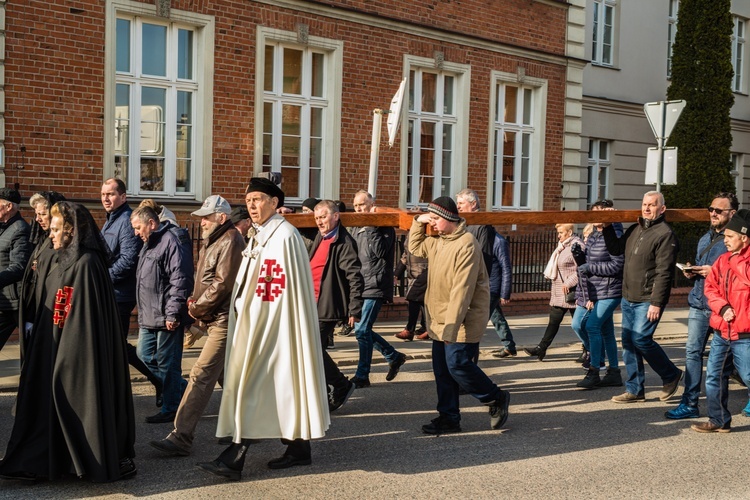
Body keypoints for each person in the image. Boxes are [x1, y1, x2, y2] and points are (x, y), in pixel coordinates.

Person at [197, 178, 329, 481]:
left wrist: (264, 324)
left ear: (273, 202)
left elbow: (281, 292)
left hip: (273, 329)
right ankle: (299, 449)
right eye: (249, 200)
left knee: (253, 388)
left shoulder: (285, 237)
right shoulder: (261, 235)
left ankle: (234, 458)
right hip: (256, 325)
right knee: (281, 389)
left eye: (258, 199)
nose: (252, 205)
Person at [0, 202, 135, 482]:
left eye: (57, 229)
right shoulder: (60, 260)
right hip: (51, 344)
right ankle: (42, 461)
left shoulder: (87, 265)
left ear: (72, 231)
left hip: (75, 351)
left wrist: (66, 350)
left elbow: (85, 319)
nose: (50, 233)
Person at [149, 195, 244, 457]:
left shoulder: (231, 240)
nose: (201, 222)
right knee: (228, 379)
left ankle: (181, 437)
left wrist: (197, 308)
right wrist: (196, 305)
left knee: (201, 375)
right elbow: (204, 279)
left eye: (206, 217)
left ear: (221, 218)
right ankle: (246, 427)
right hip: (211, 318)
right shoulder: (213, 240)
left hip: (223, 319)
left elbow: (223, 284)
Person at [408, 196, 510, 434]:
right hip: (439, 318)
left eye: (435, 219)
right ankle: (449, 417)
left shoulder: (466, 243)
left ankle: (495, 397)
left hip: (461, 320)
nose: (431, 224)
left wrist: (450, 329)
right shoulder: (438, 241)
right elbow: (414, 247)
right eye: (430, 219)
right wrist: (417, 220)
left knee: (458, 366)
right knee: (442, 371)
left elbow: (461, 291)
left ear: (447, 218)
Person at [603, 191, 683, 403]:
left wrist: (656, 303)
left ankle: (671, 374)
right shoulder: (635, 228)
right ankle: (635, 389)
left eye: (652, 205)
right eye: (645, 204)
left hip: (648, 299)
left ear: (662, 209)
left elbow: (664, 272)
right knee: (629, 343)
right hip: (629, 297)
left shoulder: (665, 234)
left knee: (641, 339)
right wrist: (607, 226)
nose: (647, 208)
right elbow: (615, 249)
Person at [665, 193, 734, 419]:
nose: (712, 213)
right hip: (698, 303)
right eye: (710, 209)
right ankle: (690, 403)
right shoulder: (705, 238)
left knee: (731, 359)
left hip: (724, 307)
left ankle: (722, 409)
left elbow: (740, 273)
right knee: (692, 353)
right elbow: (703, 269)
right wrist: (691, 271)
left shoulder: (735, 239)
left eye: (718, 210)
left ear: (731, 214)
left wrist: (712, 272)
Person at [100, 179, 163, 402]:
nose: (106, 198)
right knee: (112, 344)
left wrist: (102, 278)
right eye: (103, 194)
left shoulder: (126, 221)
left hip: (120, 295)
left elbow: (128, 260)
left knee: (116, 343)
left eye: (111, 194)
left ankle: (159, 380)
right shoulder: (110, 221)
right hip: (110, 293)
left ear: (123, 196)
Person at [131, 205, 194, 424]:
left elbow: (180, 279)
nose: (136, 233)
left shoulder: (171, 240)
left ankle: (171, 407)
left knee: (168, 364)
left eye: (138, 228)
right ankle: (182, 389)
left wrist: (173, 313)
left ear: (151, 223)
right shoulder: (148, 243)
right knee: (144, 355)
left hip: (166, 315)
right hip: (149, 314)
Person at [692, 209, 750, 433]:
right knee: (714, 376)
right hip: (722, 330)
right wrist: (723, 307)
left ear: (744, 238)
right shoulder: (722, 260)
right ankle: (718, 420)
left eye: (729, 237)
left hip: (745, 333)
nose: (724, 241)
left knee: (747, 376)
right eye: (724, 236)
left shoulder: (737, 261)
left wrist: (736, 259)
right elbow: (711, 288)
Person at [309, 199, 362, 410]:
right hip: (310, 302)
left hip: (327, 305)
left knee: (312, 350)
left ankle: (340, 385)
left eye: (323, 217)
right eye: (317, 218)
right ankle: (324, 391)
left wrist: (355, 308)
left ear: (335, 216)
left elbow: (355, 277)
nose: (319, 222)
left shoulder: (344, 242)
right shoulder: (320, 238)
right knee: (311, 350)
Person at [350, 190, 406, 387]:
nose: (358, 209)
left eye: (362, 205)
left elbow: (381, 252)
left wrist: (371, 224)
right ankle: (393, 356)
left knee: (362, 329)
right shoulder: (354, 227)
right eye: (356, 205)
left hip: (376, 283)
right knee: (361, 329)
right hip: (360, 284)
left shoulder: (383, 226)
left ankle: (362, 375)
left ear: (372, 204)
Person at [570, 200, 624, 389]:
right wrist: (579, 258)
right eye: (593, 214)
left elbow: (617, 265)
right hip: (596, 290)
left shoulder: (615, 234)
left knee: (591, 326)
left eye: (599, 214)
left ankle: (594, 370)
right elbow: (587, 264)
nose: (595, 218)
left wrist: (589, 266)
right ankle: (614, 372)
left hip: (610, 290)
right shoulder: (593, 236)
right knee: (606, 331)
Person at [18, 191, 65, 362]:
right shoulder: (43, 240)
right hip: (35, 310)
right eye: (36, 214)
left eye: (43, 214)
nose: (38, 219)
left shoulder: (58, 244)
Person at [524, 224, 582, 361]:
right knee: (553, 322)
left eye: (561, 232)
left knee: (579, 325)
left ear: (569, 232)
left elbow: (582, 268)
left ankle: (588, 350)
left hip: (571, 292)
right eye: (558, 232)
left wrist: (569, 282)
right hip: (559, 292)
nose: (558, 235)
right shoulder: (562, 246)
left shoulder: (576, 245)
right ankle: (541, 349)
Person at [0, 188, 32, 351]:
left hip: (14, 302)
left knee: (33, 345)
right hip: (4, 299)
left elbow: (19, 266)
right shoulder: (4, 228)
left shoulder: (20, 230)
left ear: (8, 207)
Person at [394, 231, 428, 341]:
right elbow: (406, 255)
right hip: (413, 272)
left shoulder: (427, 232)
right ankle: (427, 328)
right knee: (421, 302)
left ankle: (410, 330)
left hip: (423, 272)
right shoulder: (411, 233)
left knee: (414, 299)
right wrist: (397, 274)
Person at [489, 231, 516, 358]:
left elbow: (506, 267)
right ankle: (509, 346)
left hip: (492, 287)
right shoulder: (483, 238)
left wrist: (505, 293)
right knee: (496, 317)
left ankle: (468, 351)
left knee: (479, 320)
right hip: (487, 286)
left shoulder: (498, 241)